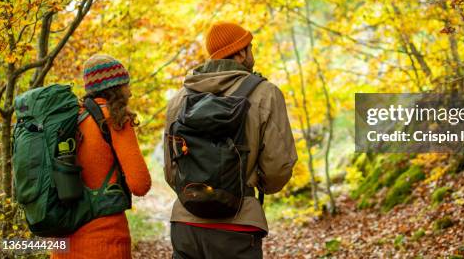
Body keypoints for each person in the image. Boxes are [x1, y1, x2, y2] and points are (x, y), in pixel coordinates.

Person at [165, 21, 298, 259]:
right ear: (240, 52)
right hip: (238, 225)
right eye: (250, 47)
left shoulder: (180, 99)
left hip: (186, 224)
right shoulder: (265, 93)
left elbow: (170, 170)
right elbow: (278, 167)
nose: (252, 53)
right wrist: (258, 185)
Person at [52, 54, 151, 259]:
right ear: (115, 87)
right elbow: (140, 185)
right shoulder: (115, 119)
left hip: (63, 244)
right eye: (126, 84)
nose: (130, 92)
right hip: (104, 242)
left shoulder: (68, 119)